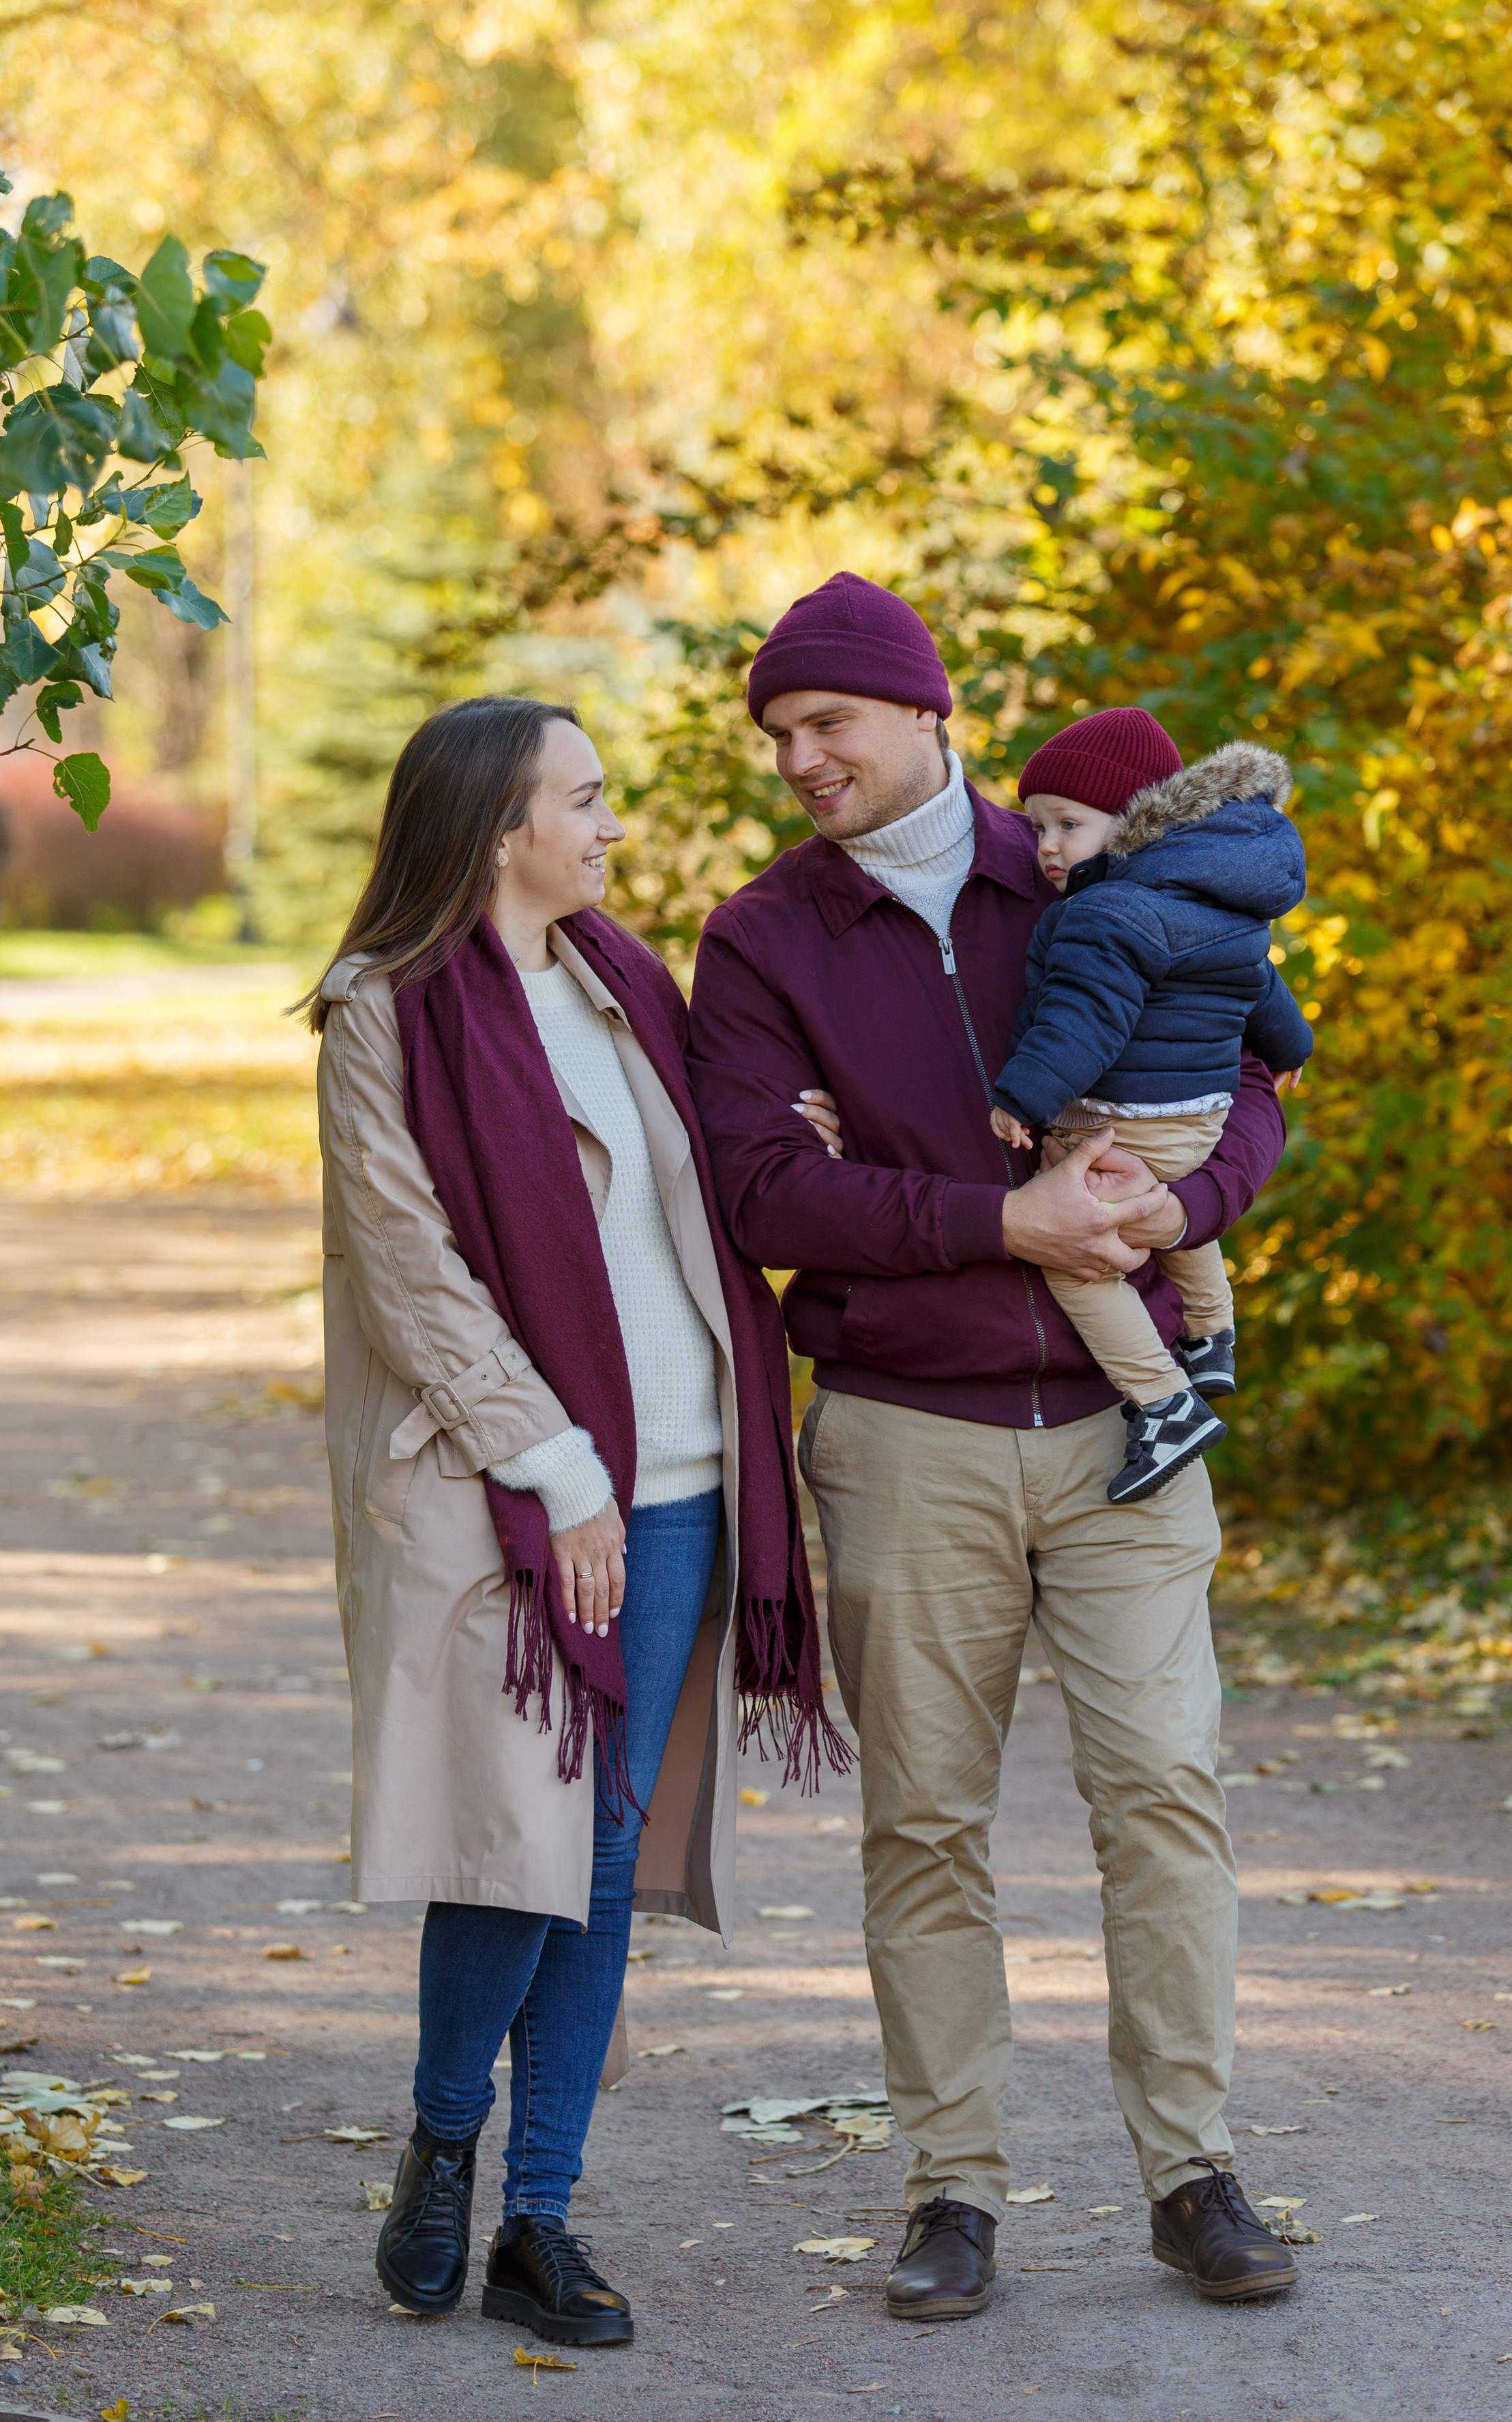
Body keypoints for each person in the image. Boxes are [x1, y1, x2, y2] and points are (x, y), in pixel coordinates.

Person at [686, 572, 1301, 2318]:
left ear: (926, 713)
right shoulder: (763, 938)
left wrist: (1185, 1197)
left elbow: (1249, 1069)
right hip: (903, 1432)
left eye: (831, 725)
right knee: (925, 1822)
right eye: (779, 735)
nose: (801, 759)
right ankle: (950, 2187)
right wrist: (993, 1219)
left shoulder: (1083, 863)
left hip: (1128, 1421)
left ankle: (1190, 2170)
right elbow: (758, 1187)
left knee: (1163, 1792)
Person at [307, 697, 837, 2352]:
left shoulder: (624, 982)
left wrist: (790, 1145)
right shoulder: (381, 1015)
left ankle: (541, 2210)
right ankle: (443, 2146)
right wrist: (557, 1464)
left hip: (681, 1465)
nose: (610, 825)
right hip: (509, 1486)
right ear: (494, 828)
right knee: (516, 1847)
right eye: (585, 800)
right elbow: (413, 1274)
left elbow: (685, 1192)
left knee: (600, 1848)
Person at [989, 705, 1314, 1504]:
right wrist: (1291, 1052)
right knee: (1159, 1211)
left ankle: (1165, 1405)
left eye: (1068, 824)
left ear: (1136, 822)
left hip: (1124, 1120)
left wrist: (1022, 1097)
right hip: (1197, 1120)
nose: (1049, 848)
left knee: (1072, 1256)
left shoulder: (1104, 914)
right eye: (1037, 829)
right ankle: (1212, 1332)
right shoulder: (1217, 902)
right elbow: (1262, 988)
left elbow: (1083, 1022)